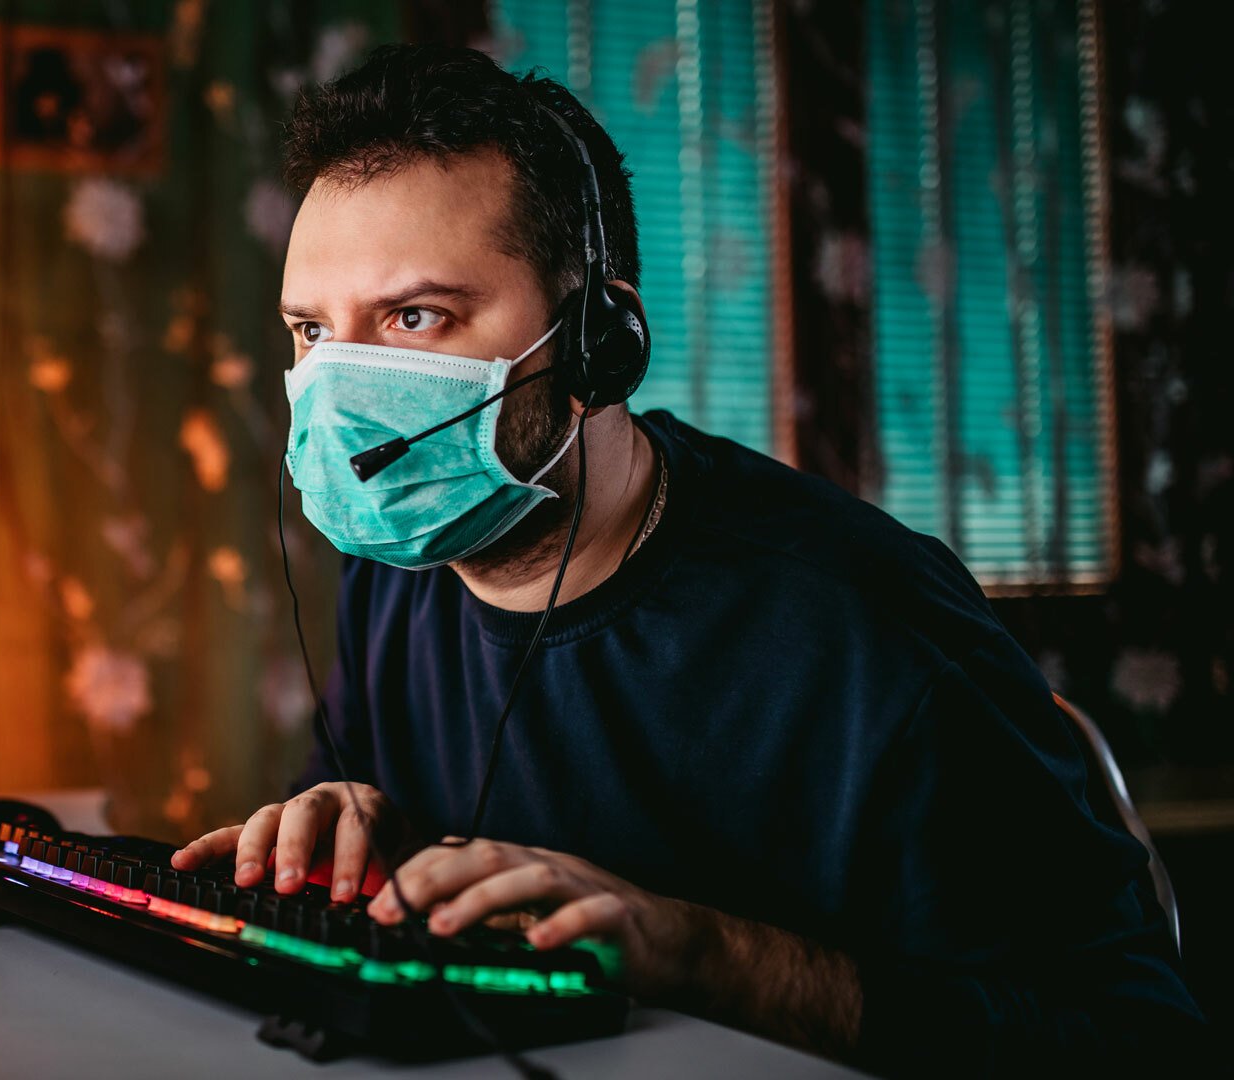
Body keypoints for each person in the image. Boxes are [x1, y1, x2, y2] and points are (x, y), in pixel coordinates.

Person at [169, 44, 1204, 1072]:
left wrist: (705, 954)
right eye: (313, 330)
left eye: (415, 317)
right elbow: (373, 841)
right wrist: (356, 828)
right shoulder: (397, 568)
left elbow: (1136, 1038)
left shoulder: (866, 629)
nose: (346, 398)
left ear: (595, 345)